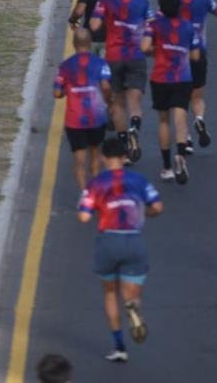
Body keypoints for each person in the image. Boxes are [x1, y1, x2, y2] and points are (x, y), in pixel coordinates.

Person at [78, 135, 163, 362]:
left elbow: (84, 217)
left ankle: (119, 347)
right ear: (125, 157)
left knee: (109, 293)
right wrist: (148, 214)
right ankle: (133, 307)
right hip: (134, 240)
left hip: (108, 241)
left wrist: (96, 207)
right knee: (131, 293)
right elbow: (157, 207)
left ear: (104, 158)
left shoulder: (96, 183)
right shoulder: (139, 180)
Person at [90, 0, 153, 163]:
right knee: (135, 104)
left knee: (117, 105)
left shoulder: (105, 1)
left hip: (113, 56)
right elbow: (152, 25)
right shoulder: (143, 2)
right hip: (135, 55)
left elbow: (94, 25)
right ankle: (135, 127)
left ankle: (124, 148)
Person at [141, 0, 200, 184]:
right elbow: (195, 56)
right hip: (182, 77)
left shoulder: (154, 26)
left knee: (164, 121)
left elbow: (144, 48)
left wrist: (156, 50)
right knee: (181, 117)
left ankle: (166, 167)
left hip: (160, 77)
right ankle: (181, 154)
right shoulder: (189, 27)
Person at [172, 0, 217, 151]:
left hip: (177, 55)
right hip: (199, 53)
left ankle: (185, 138)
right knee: (197, 96)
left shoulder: (171, 1)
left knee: (180, 99)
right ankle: (199, 119)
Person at [55, 28, 112, 191]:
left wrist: (69, 89)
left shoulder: (65, 66)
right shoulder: (101, 63)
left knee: (79, 160)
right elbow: (106, 86)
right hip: (96, 117)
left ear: (73, 44)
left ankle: (84, 194)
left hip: (74, 120)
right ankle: (95, 191)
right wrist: (110, 101)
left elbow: (57, 92)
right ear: (89, 42)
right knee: (95, 152)